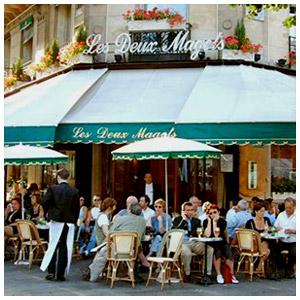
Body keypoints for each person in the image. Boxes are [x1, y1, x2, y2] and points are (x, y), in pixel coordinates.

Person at [89, 203, 146, 282]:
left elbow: (110, 234)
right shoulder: (143, 221)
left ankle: (92, 276)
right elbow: (142, 238)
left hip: (116, 251)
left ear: (129, 210)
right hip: (132, 252)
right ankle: (130, 273)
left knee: (101, 254)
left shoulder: (120, 219)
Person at [40, 168, 80, 281]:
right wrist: (74, 219)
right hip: (68, 222)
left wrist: (49, 213)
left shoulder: (53, 189)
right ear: (68, 177)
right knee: (64, 246)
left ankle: (51, 271)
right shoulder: (74, 191)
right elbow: (77, 208)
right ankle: (60, 273)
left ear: (58, 177)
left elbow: (44, 202)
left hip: (56, 220)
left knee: (52, 245)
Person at [172, 201, 213, 283]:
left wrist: (188, 232)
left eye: (192, 210)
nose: (190, 212)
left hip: (195, 242)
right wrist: (184, 220)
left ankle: (207, 273)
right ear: (183, 211)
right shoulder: (177, 220)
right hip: (183, 242)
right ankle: (187, 273)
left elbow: (198, 232)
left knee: (209, 249)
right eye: (188, 210)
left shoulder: (196, 221)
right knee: (187, 253)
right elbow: (175, 231)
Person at [203, 204, 238, 284]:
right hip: (211, 242)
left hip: (221, 241)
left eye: (214, 212)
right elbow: (207, 235)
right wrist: (210, 222)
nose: (212, 215)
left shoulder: (222, 222)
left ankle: (231, 274)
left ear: (218, 212)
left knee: (228, 252)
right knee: (217, 252)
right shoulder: (206, 222)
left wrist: (215, 222)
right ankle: (219, 274)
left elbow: (217, 235)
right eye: (210, 213)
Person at [245, 202, 271, 272]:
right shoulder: (250, 222)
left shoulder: (266, 220)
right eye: (261, 211)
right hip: (253, 244)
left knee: (266, 247)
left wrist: (270, 230)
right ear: (256, 211)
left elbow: (270, 231)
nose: (262, 213)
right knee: (267, 249)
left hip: (265, 241)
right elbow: (246, 235)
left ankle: (259, 268)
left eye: (264, 211)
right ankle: (260, 269)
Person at [274, 198, 296, 279]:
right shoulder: (281, 215)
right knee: (274, 250)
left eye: (290, 208)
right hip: (282, 239)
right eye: (286, 207)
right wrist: (277, 229)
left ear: (294, 207)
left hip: (294, 240)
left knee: (294, 253)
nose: (288, 209)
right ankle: (282, 267)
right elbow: (276, 226)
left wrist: (293, 231)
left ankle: (289, 268)